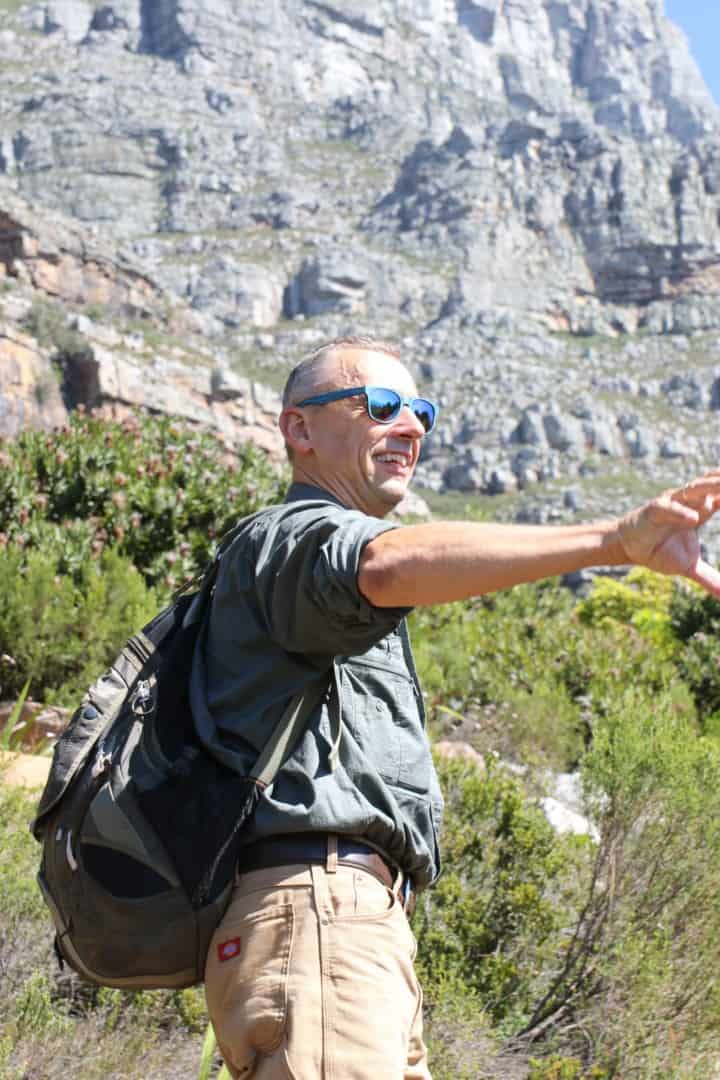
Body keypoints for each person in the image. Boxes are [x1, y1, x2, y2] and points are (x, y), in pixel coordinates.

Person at [199, 335, 720, 1079]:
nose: (410, 426)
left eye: (422, 411)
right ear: (300, 430)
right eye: (380, 405)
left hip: (347, 926)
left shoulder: (312, 559)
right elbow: (384, 565)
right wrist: (612, 541)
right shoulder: (293, 534)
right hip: (318, 916)